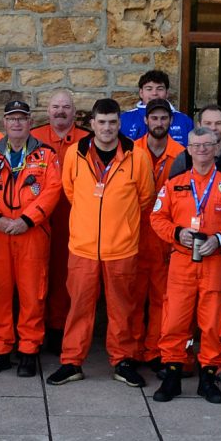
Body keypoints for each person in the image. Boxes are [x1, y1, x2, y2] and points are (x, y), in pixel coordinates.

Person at [51, 98, 154, 387]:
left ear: (119, 124)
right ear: (92, 124)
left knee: (123, 309)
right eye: (101, 122)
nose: (107, 128)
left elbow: (145, 198)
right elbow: (70, 192)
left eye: (112, 122)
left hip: (121, 248)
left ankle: (123, 361)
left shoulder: (138, 156)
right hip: (83, 247)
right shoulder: (75, 154)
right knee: (79, 307)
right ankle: (71, 362)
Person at [148, 126, 221, 403]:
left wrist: (219, 239)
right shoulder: (174, 183)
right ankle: (172, 375)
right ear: (188, 150)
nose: (202, 150)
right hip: (182, 261)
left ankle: (208, 378)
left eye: (208, 145)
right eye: (196, 145)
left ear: (217, 148)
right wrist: (177, 233)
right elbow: (157, 218)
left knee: (214, 323)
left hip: (215, 261)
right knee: (174, 320)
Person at [0, 100, 62, 377]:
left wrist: (27, 220)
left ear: (30, 122)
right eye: (11, 118)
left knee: (32, 294)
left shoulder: (46, 155)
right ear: (4, 122)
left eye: (22, 119)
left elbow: (52, 191)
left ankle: (29, 350)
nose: (16, 123)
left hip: (32, 234)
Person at [32, 90, 86, 345]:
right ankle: (35, 328)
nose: (60, 111)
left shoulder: (88, 139)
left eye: (66, 106)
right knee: (38, 272)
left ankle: (59, 328)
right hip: (39, 216)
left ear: (74, 111)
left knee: (67, 274)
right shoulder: (35, 137)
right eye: (55, 106)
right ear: (47, 110)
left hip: (75, 216)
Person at [136, 100, 185, 364]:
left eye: (164, 118)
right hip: (135, 234)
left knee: (161, 298)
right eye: (154, 118)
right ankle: (132, 351)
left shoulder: (181, 155)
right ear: (146, 121)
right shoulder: (131, 152)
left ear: (171, 121)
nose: (159, 123)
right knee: (133, 299)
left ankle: (155, 350)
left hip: (166, 237)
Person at [120, 69, 193, 143]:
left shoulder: (184, 121)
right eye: (149, 89)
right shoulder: (124, 119)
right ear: (141, 93)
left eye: (160, 89)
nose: (154, 93)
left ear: (167, 93)